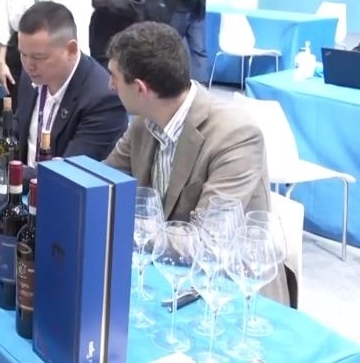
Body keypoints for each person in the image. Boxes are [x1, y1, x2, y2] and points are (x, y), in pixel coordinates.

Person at [101, 21, 288, 306]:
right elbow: (103, 182)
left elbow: (207, 242)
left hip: (227, 291)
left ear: (140, 88)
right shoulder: (143, 122)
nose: (110, 86)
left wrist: (122, 228)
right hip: (161, 274)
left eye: (113, 77)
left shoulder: (235, 136)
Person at [0, 1, 127, 192]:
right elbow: (19, 125)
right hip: (21, 193)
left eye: (38, 57)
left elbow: (70, 174)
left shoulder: (103, 98)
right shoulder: (34, 74)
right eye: (23, 54)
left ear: (70, 50)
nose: (28, 65)